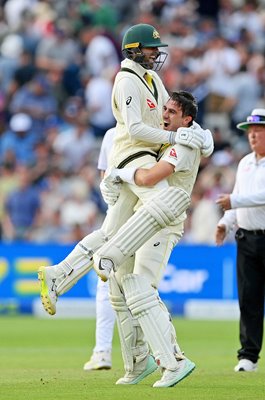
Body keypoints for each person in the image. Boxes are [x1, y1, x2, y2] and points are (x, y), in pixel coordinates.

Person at [38, 23, 212, 378]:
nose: (156, 54)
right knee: (166, 206)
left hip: (145, 157)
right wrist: (177, 134)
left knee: (109, 230)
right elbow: (135, 130)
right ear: (134, 49)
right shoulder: (126, 80)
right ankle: (111, 261)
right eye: (150, 49)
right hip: (134, 157)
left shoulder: (151, 79)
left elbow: (173, 113)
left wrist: (197, 133)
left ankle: (58, 277)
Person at [92, 90, 208, 388]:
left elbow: (148, 178)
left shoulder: (182, 144)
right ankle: (137, 364)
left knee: (140, 289)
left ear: (187, 119)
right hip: (144, 219)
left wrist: (119, 174)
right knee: (119, 288)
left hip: (164, 222)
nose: (165, 115)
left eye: (173, 112)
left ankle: (174, 361)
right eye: (165, 109)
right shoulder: (167, 137)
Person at [215, 108, 265, 373]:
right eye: (250, 132)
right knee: (249, 300)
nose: (253, 136)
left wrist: (233, 201)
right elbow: (238, 194)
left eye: (258, 131)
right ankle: (249, 357)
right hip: (247, 239)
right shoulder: (246, 163)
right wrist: (226, 222)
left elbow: (261, 196)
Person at [83, 127, 116, 371]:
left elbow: (106, 179)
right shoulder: (111, 135)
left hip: (125, 219)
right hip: (120, 216)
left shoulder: (116, 134)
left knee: (107, 285)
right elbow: (104, 178)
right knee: (138, 288)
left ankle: (103, 351)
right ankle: (158, 355)